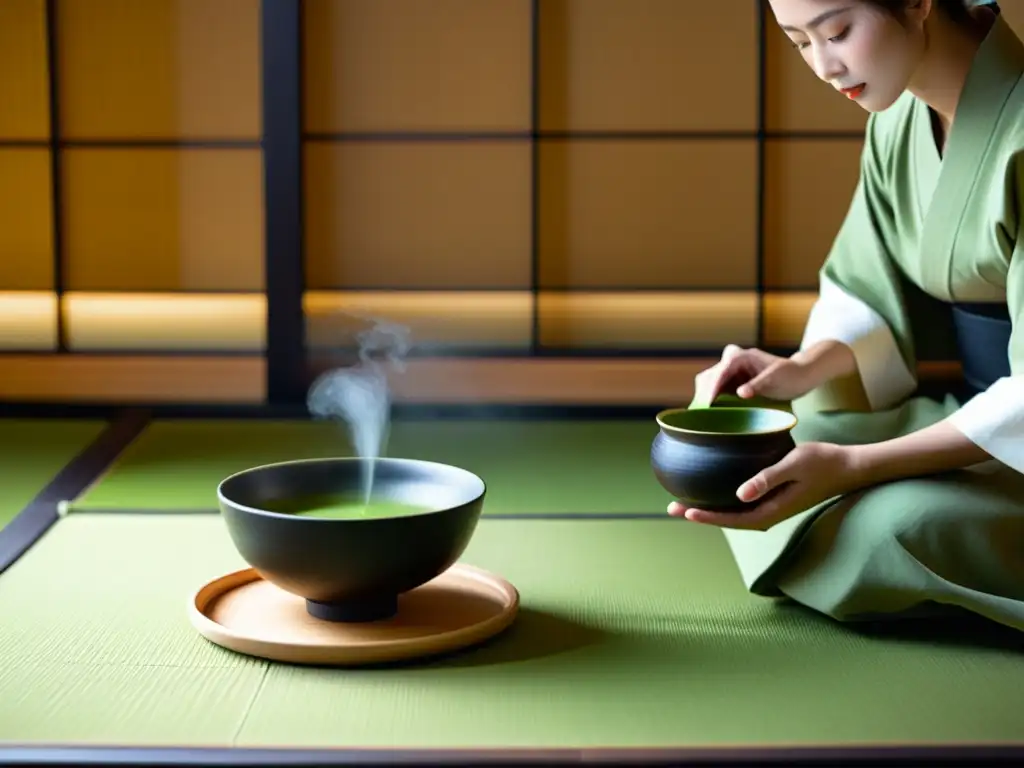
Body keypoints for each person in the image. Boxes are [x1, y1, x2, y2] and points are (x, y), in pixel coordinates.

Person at [671, 0, 1024, 632]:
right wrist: (800, 369)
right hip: (984, 418)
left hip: (1013, 428)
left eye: (837, 31)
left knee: (897, 526)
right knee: (787, 441)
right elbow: (865, 285)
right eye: (799, 42)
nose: (824, 65)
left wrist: (857, 466)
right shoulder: (900, 121)